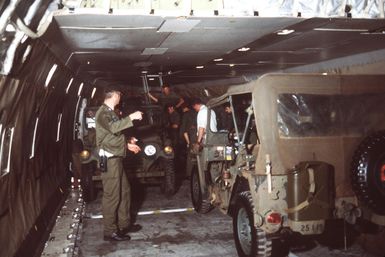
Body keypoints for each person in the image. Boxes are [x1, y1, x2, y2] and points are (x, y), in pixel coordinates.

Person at [95, 88, 143, 242]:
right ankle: (110, 232)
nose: (120, 99)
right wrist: (132, 117)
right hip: (109, 160)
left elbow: (113, 136)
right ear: (114, 96)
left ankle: (123, 225)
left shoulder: (110, 112)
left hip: (116, 157)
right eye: (119, 96)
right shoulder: (103, 113)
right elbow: (114, 128)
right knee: (112, 196)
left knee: (124, 191)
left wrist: (128, 143)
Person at [179, 102, 197, 178]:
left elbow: (184, 131)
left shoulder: (186, 115)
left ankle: (190, 174)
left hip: (191, 138)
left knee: (190, 157)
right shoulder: (197, 113)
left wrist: (187, 142)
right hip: (199, 136)